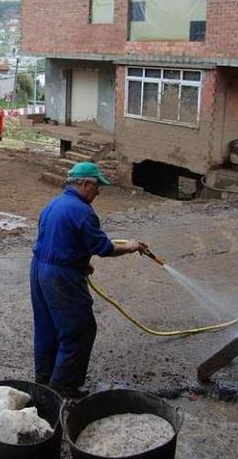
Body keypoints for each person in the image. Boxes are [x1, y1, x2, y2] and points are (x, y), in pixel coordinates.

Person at [30, 162, 148, 399]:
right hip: (61, 277)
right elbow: (103, 247)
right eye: (96, 186)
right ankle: (63, 387)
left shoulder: (54, 204)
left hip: (39, 269)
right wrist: (131, 247)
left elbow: (57, 239)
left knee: (47, 326)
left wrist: (79, 261)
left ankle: (44, 379)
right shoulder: (82, 211)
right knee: (80, 329)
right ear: (85, 184)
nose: (98, 192)